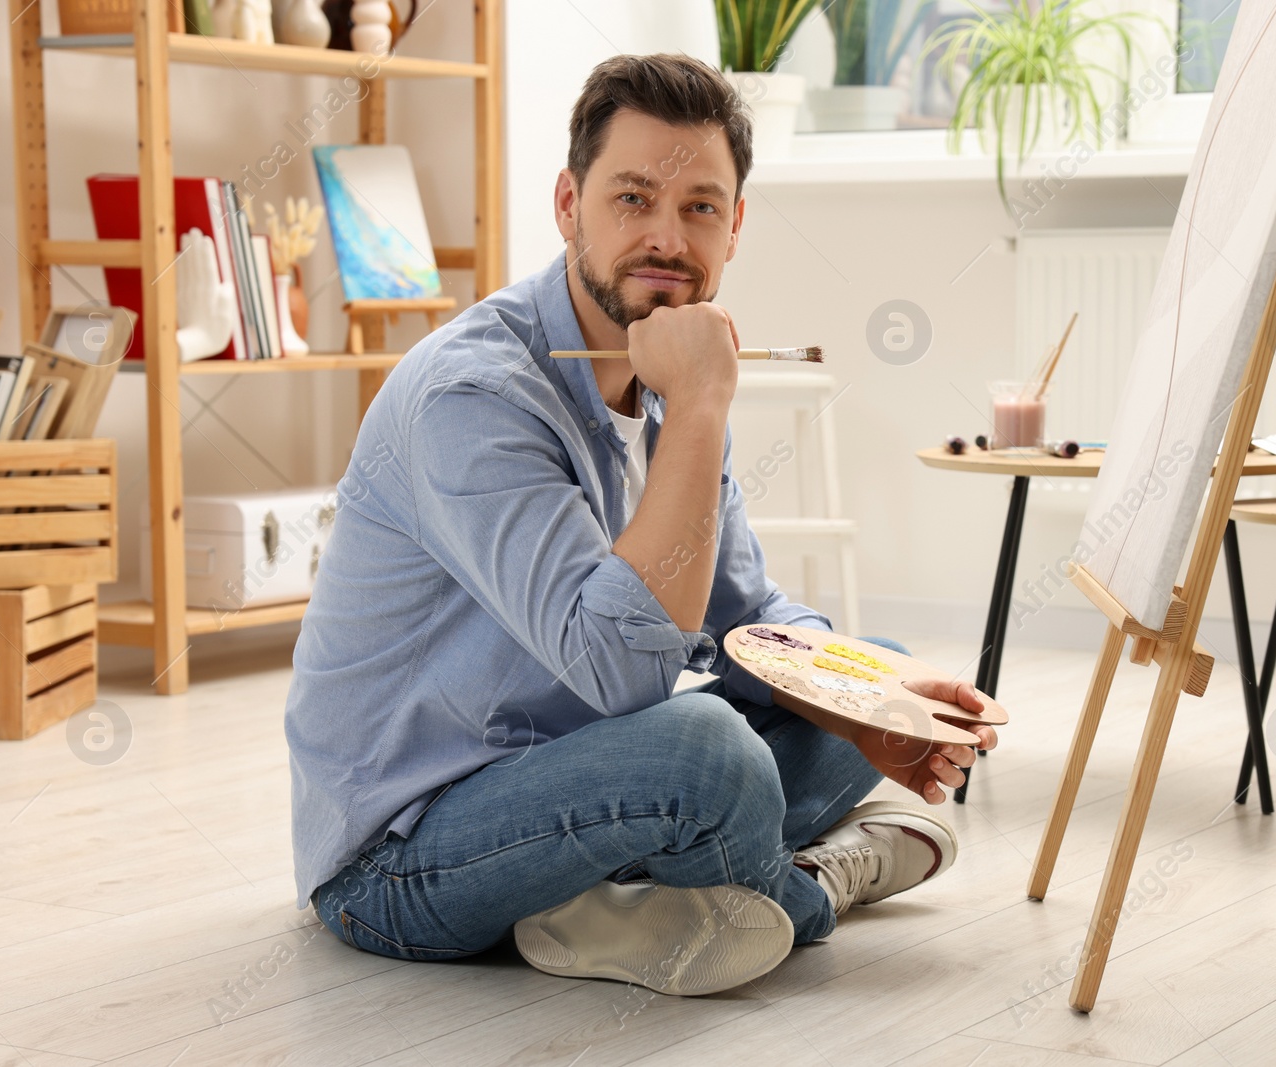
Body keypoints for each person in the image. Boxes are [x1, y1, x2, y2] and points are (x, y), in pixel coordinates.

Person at [286, 53, 997, 997]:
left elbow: (749, 619)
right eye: (632, 198)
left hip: (575, 772)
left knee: (868, 668)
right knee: (709, 753)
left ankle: (631, 895)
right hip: (403, 856)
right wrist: (703, 404)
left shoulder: (667, 376)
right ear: (568, 203)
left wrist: (873, 703)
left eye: (700, 206)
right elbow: (623, 674)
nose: (667, 238)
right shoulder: (474, 396)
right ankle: (811, 886)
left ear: (736, 225)